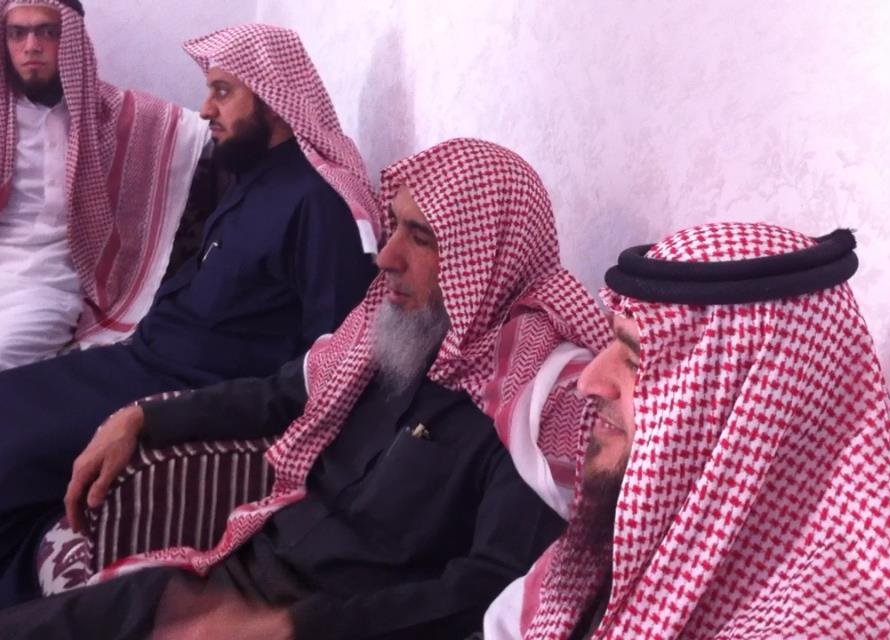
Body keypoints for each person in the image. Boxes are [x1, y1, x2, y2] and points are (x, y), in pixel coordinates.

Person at [0, 138, 609, 639]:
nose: (386, 257)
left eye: (421, 237)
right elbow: (277, 394)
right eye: (393, 227)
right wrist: (142, 419)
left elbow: (488, 589)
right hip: (237, 580)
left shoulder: (536, 408)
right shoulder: (393, 331)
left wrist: (295, 628)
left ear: (488, 256)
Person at [0, 23, 379, 607]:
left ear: (271, 97)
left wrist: (162, 416)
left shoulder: (320, 204)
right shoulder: (253, 176)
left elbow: (325, 369)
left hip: (176, 389)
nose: (205, 109)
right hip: (135, 361)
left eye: (223, 92)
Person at [485, 223, 890, 639]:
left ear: (755, 410)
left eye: (636, 360)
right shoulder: (641, 526)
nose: (588, 381)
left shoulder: (838, 628)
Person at [0, 0, 209, 368]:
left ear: (72, 40)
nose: (31, 46)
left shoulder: (112, 115)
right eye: (17, 33)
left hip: (45, 282)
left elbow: (209, 132)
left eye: (48, 31)